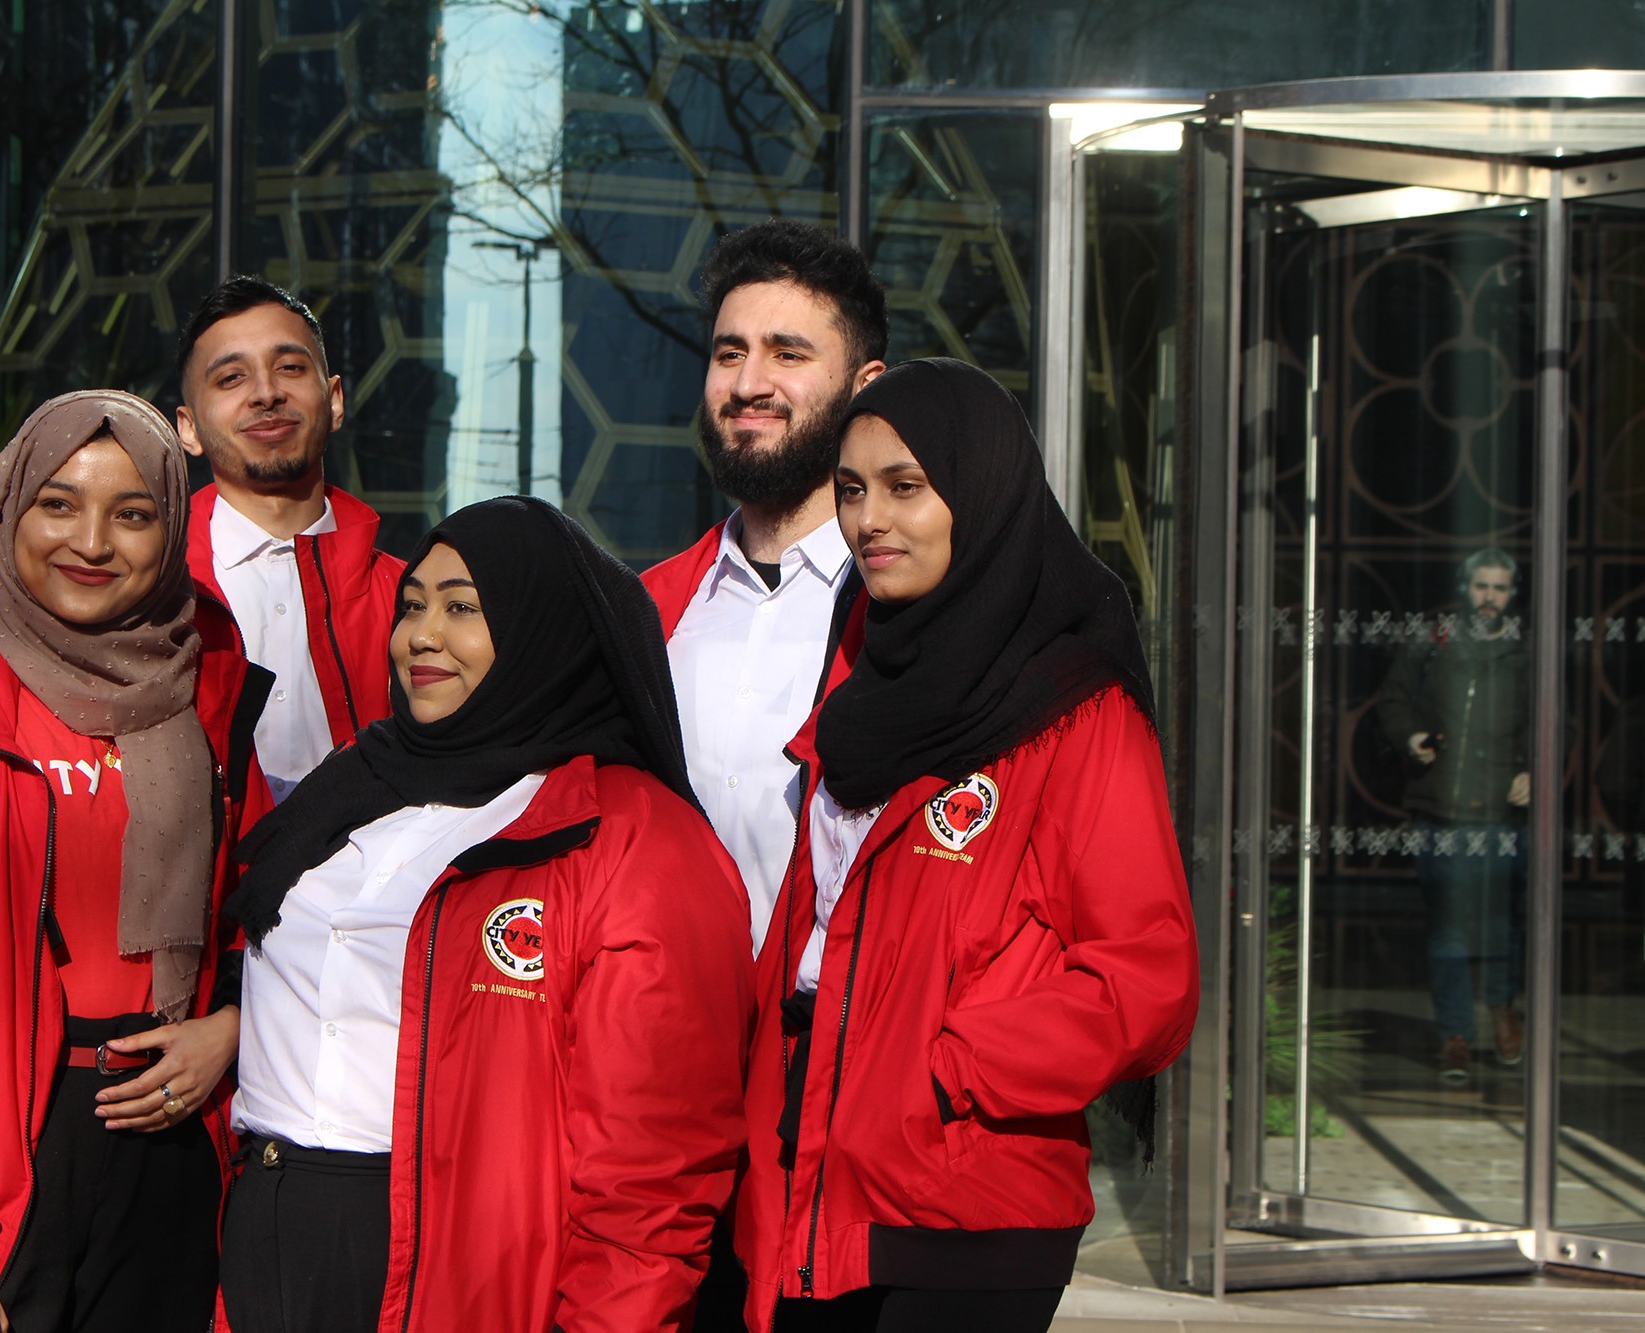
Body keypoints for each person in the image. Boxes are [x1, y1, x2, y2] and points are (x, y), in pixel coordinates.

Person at [736, 359, 1199, 1333]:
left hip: (967, 1197)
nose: (870, 520)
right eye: (852, 491)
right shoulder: (858, 673)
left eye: (906, 487)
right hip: (813, 1164)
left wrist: (947, 1066)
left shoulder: (1075, 708)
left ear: (978, 490)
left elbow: (1144, 978)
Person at [219, 496, 753, 1333]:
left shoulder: (637, 839)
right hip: (272, 1235)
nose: (420, 635)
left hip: (444, 1260)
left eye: (463, 607)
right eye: (414, 604)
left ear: (545, 626)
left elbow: (652, 1176)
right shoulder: (358, 781)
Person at [0, 392, 272, 1333]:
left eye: (134, 512)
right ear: (9, 511)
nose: (92, 540)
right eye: (58, 503)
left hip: (171, 1144)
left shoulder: (212, 702)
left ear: (172, 529)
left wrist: (231, 1025)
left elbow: (266, 916)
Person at [643, 218, 888, 953]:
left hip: (830, 1048)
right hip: (666, 1043)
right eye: (729, 353)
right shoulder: (647, 615)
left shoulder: (903, 616)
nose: (749, 384)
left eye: (787, 353)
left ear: (863, 385)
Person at [176, 276, 406, 803]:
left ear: (334, 400)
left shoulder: (413, 601)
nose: (266, 393)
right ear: (187, 429)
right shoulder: (150, 594)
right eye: (231, 378)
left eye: (290, 368)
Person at [1375, 548, 1530, 1083]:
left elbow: (1559, 720)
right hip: (1439, 806)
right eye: (1482, 587)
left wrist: (1532, 769)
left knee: (1501, 926)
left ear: (1513, 594)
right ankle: (1455, 1035)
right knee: (1447, 930)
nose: (1490, 598)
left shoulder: (1525, 649)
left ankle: (1504, 1008)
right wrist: (1410, 737)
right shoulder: (1434, 640)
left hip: (1500, 813)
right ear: (1467, 589)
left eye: (1500, 589)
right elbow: (1392, 700)